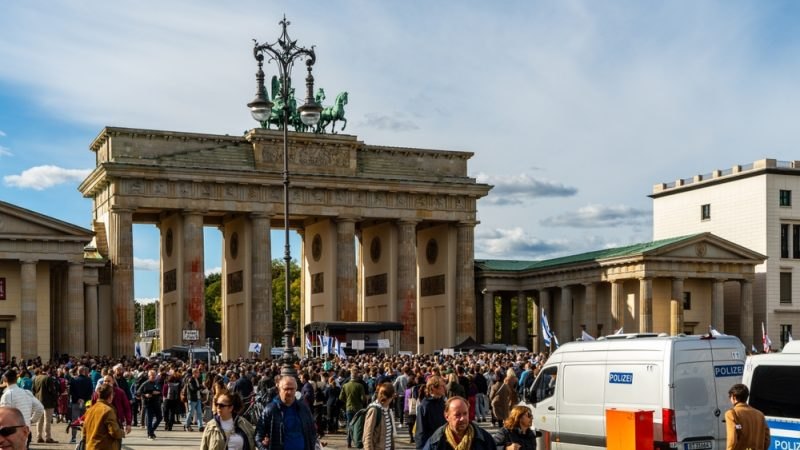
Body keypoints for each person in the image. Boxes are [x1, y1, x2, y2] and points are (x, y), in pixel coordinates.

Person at [255, 375, 317, 450]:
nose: (289, 392)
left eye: (292, 389)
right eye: (286, 389)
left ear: (296, 389)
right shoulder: (270, 410)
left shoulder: (303, 408)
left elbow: (312, 431)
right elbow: (258, 435)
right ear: (279, 389)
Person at [422, 396, 495, 450]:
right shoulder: (436, 441)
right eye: (457, 415)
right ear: (447, 417)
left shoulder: (484, 439)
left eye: (465, 413)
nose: (462, 418)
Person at [0, 369, 44, 449]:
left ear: (5, 379)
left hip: (11, 433)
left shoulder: (7, 395)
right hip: (25, 429)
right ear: (16, 379)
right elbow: (40, 408)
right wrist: (31, 420)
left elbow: (3, 417)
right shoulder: (26, 392)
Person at [725, 383, 770, 450]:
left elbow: (732, 439)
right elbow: (767, 439)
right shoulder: (760, 414)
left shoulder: (731, 414)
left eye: (730, 397)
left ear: (734, 397)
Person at [83, 383, 125, 450]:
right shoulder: (108, 410)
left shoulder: (90, 410)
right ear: (110, 396)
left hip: (90, 446)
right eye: (112, 394)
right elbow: (114, 432)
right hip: (104, 446)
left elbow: (84, 432)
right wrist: (122, 432)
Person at [415, 376, 447, 450]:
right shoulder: (424, 406)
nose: (444, 388)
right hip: (431, 445)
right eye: (442, 386)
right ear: (433, 388)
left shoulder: (444, 403)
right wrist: (420, 448)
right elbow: (420, 431)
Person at [364, 383, 396, 450]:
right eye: (393, 397)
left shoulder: (387, 409)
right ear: (390, 397)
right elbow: (367, 436)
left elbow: (390, 435)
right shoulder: (374, 410)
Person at [31, 367, 58, 443]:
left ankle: (39, 436)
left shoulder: (35, 378)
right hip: (48, 402)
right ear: (48, 370)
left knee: (39, 421)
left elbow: (33, 390)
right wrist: (55, 398)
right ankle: (48, 437)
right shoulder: (48, 378)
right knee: (47, 421)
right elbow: (52, 390)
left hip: (38, 401)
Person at [340, 370, 366, 447]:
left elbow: (341, 397)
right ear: (357, 377)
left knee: (349, 424)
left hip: (349, 407)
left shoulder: (345, 385)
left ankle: (349, 442)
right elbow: (363, 398)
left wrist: (347, 401)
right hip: (358, 408)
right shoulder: (360, 386)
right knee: (358, 426)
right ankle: (357, 441)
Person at [136, 369, 163, 440]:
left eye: (155, 375)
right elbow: (138, 392)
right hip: (148, 403)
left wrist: (157, 393)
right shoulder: (145, 383)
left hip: (156, 402)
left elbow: (160, 391)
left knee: (160, 418)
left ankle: (151, 431)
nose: (154, 377)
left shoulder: (157, 383)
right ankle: (150, 434)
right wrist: (145, 394)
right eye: (152, 376)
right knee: (149, 419)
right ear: (149, 376)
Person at [69, 366, 93, 444]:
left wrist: (78, 398)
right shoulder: (89, 380)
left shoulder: (73, 379)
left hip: (76, 401)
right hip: (86, 402)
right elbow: (90, 392)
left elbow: (71, 391)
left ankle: (73, 438)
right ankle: (84, 437)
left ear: (78, 371)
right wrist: (83, 399)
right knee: (85, 420)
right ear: (84, 372)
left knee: (74, 420)